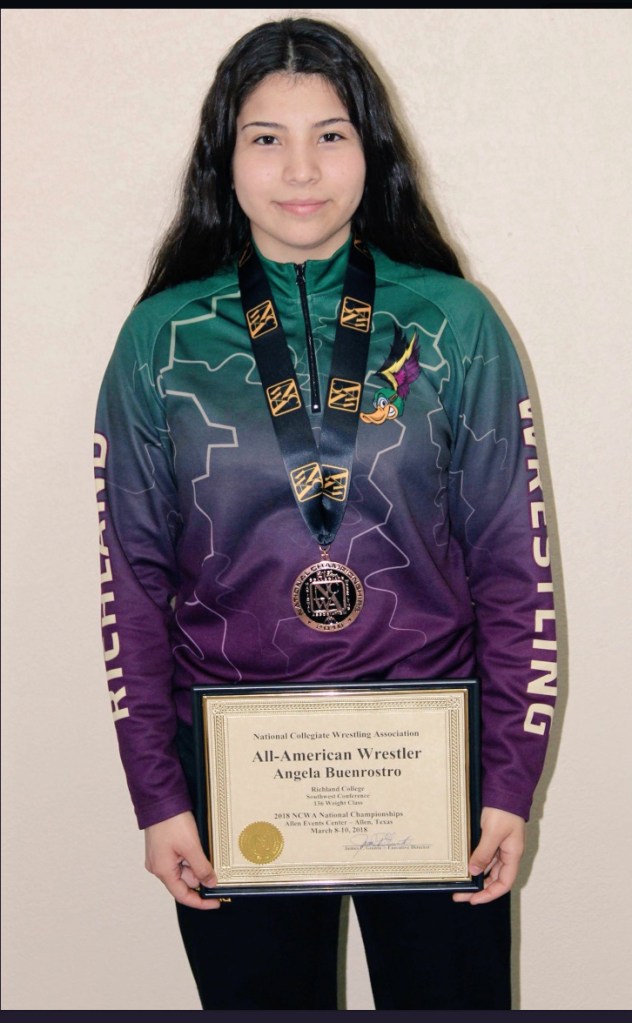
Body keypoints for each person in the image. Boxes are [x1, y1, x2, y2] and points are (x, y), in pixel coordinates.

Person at [94, 15, 556, 1010]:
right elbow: (129, 583)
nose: (299, 167)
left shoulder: (454, 323)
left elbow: (513, 571)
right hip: (231, 774)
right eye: (265, 137)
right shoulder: (159, 342)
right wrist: (159, 796)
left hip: (432, 769)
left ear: (369, 149)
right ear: (225, 159)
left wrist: (508, 782)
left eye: (330, 134)